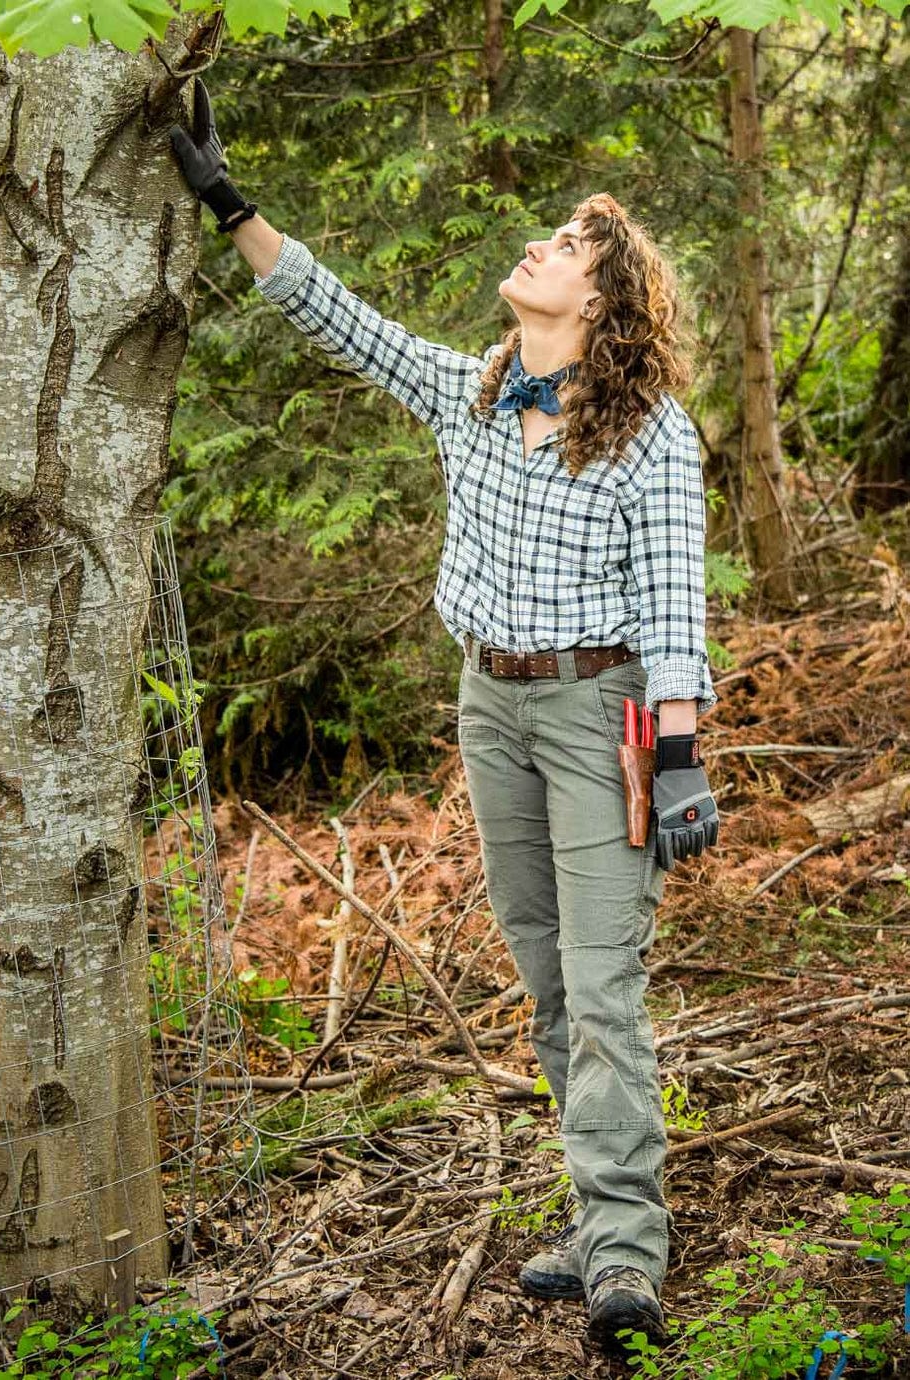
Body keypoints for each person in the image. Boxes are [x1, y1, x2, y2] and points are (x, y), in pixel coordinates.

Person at [170, 79, 720, 1357]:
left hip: (601, 717)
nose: (538, 245)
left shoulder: (649, 435)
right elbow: (336, 317)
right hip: (491, 710)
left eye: (568, 246)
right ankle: (592, 1213)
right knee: (543, 968)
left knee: (603, 983)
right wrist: (224, 200)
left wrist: (680, 759)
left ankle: (626, 1246)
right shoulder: (471, 391)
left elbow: (676, 605)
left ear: (599, 303)